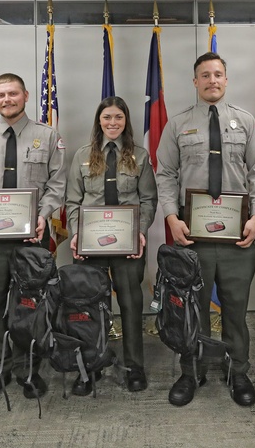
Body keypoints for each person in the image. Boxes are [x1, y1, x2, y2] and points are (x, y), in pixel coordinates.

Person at [156, 52, 255, 407]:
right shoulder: (178, 125)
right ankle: (193, 371)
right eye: (205, 75)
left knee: (236, 309)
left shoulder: (245, 122)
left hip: (238, 236)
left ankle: (239, 372)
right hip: (193, 238)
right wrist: (172, 217)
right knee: (193, 307)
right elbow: (165, 174)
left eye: (218, 74)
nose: (212, 81)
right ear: (195, 82)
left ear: (226, 79)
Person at [0, 73, 66, 404]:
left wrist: (42, 215)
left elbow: (57, 185)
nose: (7, 99)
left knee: (29, 305)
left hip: (30, 238)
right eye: (1, 95)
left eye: (13, 94)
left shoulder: (48, 138)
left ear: (26, 95)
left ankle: (27, 369)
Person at [65, 96, 157, 395]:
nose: (113, 123)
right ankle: (91, 365)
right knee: (90, 308)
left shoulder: (139, 157)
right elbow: (73, 201)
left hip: (128, 245)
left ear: (126, 121)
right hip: (91, 246)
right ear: (99, 121)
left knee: (131, 305)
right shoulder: (82, 156)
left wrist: (141, 231)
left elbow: (147, 200)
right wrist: (76, 233)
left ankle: (134, 367)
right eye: (107, 118)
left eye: (118, 117)